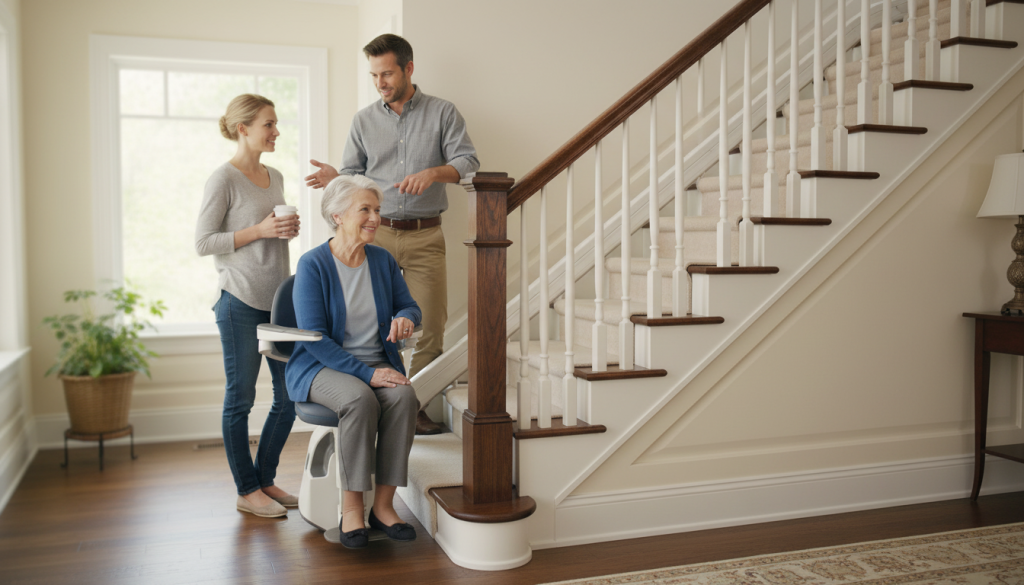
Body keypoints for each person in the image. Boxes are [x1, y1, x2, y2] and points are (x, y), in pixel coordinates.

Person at [304, 33, 479, 435]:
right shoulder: (364, 120)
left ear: (408, 69)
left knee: (429, 324)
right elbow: (353, 175)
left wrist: (435, 172)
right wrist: (338, 177)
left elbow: (468, 162)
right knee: (368, 326)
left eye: (387, 73)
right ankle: (376, 395)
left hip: (424, 235)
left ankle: (411, 405)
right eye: (374, 75)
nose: (380, 82)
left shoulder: (442, 113)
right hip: (374, 235)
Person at [286, 174, 422, 549]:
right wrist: (367, 374)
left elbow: (409, 304)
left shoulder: (382, 261)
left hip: (376, 363)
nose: (375, 217)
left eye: (377, 210)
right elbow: (315, 338)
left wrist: (407, 317)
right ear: (337, 215)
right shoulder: (314, 265)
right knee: (359, 398)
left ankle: (383, 506)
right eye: (365, 209)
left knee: (405, 397)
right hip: (322, 366)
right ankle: (352, 510)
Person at [195, 94, 301, 518]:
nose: (276, 132)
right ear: (244, 129)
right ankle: (246, 489)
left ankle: (265, 479)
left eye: (276, 125)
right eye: (269, 125)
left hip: (278, 303)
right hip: (238, 300)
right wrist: (258, 230)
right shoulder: (222, 179)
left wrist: (283, 231)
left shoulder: (274, 176)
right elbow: (203, 242)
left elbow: (268, 232)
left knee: (289, 396)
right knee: (240, 400)